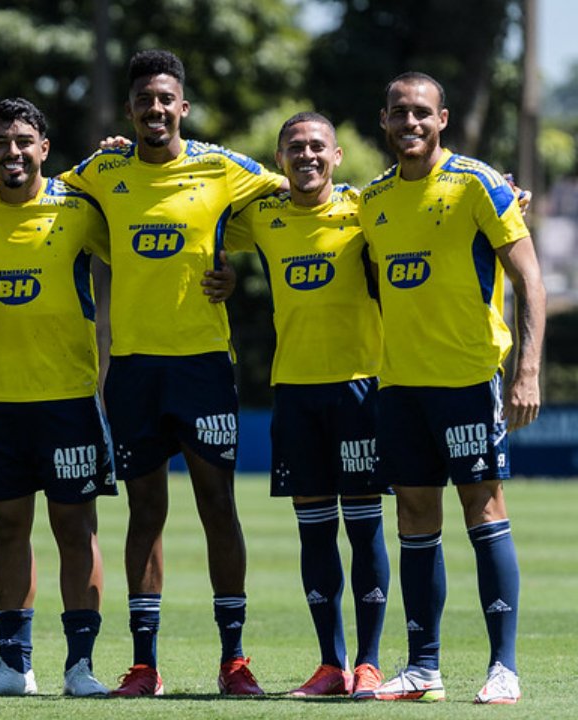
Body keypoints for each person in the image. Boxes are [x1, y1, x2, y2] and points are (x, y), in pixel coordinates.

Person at [56, 49, 287, 697]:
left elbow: (297, 191)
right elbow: (36, 192)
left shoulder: (220, 166)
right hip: (130, 369)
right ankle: (144, 664)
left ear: (182, 106)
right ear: (128, 110)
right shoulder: (101, 169)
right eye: (144, 101)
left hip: (203, 368)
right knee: (144, 513)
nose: (155, 109)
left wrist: (231, 263)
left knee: (219, 507)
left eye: (166, 100)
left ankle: (234, 661)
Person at [360, 72, 544, 705]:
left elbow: (530, 280)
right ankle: (423, 668)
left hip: (467, 381)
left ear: (442, 119)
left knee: (483, 511)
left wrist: (526, 372)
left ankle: (504, 667)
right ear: (382, 121)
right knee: (413, 517)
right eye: (398, 113)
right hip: (400, 386)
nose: (409, 123)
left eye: (421, 113)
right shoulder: (371, 200)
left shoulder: (478, 183)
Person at [0, 98, 115, 698]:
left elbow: (146, 237)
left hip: (68, 397)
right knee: (7, 529)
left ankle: (81, 668)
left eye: (24, 140)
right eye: (0, 141)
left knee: (77, 530)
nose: (12, 151)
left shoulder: (79, 208)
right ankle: (15, 666)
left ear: (45, 148)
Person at [224, 112, 389, 698]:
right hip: (294, 391)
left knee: (365, 529)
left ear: (337, 156)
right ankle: (330, 665)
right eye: (295, 148)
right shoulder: (264, 217)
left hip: (360, 388)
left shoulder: (366, 207)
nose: (307, 156)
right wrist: (217, 271)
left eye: (318, 147)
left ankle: (369, 664)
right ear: (278, 160)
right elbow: (196, 224)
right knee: (314, 532)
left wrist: (510, 191)